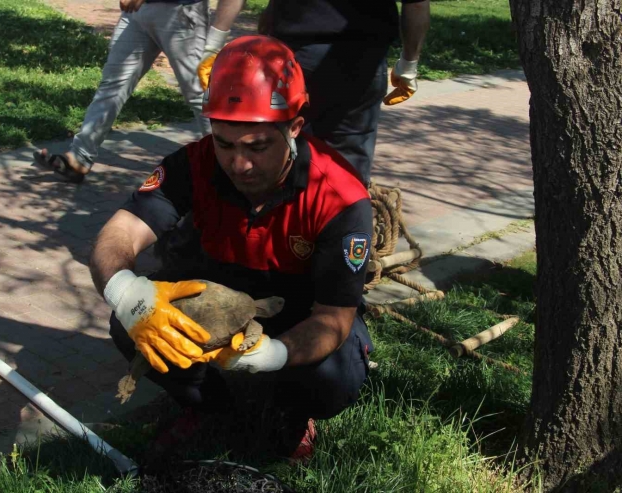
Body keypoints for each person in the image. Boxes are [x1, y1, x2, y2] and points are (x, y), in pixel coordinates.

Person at [89, 35, 375, 461]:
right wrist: (127, 293)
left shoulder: (340, 197)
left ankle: (295, 413)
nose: (239, 164)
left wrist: (276, 353)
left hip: (300, 310)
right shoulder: (193, 164)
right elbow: (119, 233)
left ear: (294, 127)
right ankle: (206, 407)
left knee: (335, 374)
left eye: (258, 147)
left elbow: (333, 318)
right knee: (128, 324)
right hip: (217, 302)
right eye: (225, 143)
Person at [196, 0, 431, 186]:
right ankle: (344, 233)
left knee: (284, 149)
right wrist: (408, 64)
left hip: (291, 58)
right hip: (362, 60)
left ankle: (282, 232)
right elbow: (417, 4)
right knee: (349, 157)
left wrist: (214, 44)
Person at [34, 0, 213, 183]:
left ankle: (224, 164)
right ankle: (79, 157)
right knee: (112, 86)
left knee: (199, 93)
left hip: (180, 12)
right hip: (136, 13)